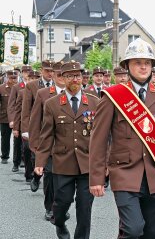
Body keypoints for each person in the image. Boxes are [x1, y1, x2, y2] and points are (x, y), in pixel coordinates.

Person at [89, 37, 155, 239]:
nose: (143, 67)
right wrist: (97, 177)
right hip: (125, 173)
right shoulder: (112, 96)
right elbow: (98, 139)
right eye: (137, 62)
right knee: (132, 229)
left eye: (147, 63)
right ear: (127, 66)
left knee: (151, 233)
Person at [34, 61, 99, 239]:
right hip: (63, 163)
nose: (75, 79)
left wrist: (105, 163)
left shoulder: (94, 102)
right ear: (62, 78)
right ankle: (60, 223)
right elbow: (46, 135)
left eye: (77, 75)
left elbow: (103, 137)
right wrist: (40, 161)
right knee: (61, 204)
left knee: (85, 208)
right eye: (70, 76)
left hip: (88, 164)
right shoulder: (52, 104)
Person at [29, 61, 66, 221]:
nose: (61, 78)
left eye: (65, 75)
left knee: (63, 181)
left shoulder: (78, 93)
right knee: (50, 178)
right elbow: (35, 121)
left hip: (68, 147)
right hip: (48, 145)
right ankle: (50, 207)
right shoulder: (43, 94)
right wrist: (35, 145)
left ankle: (60, 206)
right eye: (58, 75)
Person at [22, 60, 54, 191]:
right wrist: (26, 130)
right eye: (47, 70)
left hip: (55, 129)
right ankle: (36, 177)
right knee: (39, 157)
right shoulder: (32, 86)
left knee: (52, 163)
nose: (50, 73)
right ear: (41, 70)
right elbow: (26, 110)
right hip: (39, 129)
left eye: (53, 71)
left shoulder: (59, 86)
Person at [13, 70, 41, 181]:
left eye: (36, 78)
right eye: (31, 78)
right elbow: (19, 111)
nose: (33, 80)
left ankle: (37, 175)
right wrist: (16, 127)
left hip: (40, 126)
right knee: (27, 150)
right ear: (27, 79)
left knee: (38, 153)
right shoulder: (22, 92)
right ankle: (29, 173)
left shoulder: (44, 91)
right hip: (28, 126)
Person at [8, 65, 32, 171]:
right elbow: (12, 105)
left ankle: (25, 162)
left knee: (27, 144)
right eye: (25, 72)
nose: (27, 73)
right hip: (20, 119)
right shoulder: (17, 87)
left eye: (28, 72)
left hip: (31, 120)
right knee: (17, 141)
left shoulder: (36, 86)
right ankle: (15, 162)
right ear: (22, 73)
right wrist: (13, 120)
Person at [0, 70, 19, 164]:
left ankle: (18, 159)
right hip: (4, 118)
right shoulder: (1, 88)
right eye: (11, 78)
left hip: (18, 117)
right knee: (5, 138)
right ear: (7, 77)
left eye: (15, 78)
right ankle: (4, 156)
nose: (13, 80)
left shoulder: (21, 88)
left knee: (18, 139)